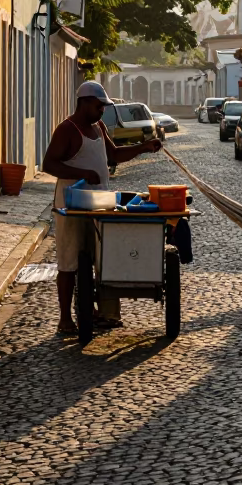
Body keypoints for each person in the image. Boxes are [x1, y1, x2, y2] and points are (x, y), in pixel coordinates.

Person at [42, 81, 161, 335]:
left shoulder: (98, 127)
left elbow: (114, 155)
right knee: (68, 261)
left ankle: (97, 311)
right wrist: (81, 172)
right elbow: (49, 164)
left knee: (101, 257)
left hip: (99, 204)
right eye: (99, 106)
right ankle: (65, 318)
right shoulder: (67, 129)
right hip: (71, 205)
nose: (101, 111)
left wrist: (144, 147)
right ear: (84, 103)